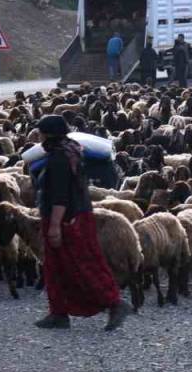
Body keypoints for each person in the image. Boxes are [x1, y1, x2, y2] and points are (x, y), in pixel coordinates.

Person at [33, 115, 131, 331]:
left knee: (82, 264)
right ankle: (58, 313)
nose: (38, 136)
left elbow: (60, 194)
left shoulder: (60, 158)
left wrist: (56, 225)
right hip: (77, 215)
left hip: (68, 219)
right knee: (57, 266)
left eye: (41, 132)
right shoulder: (72, 150)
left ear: (49, 133)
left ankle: (114, 303)